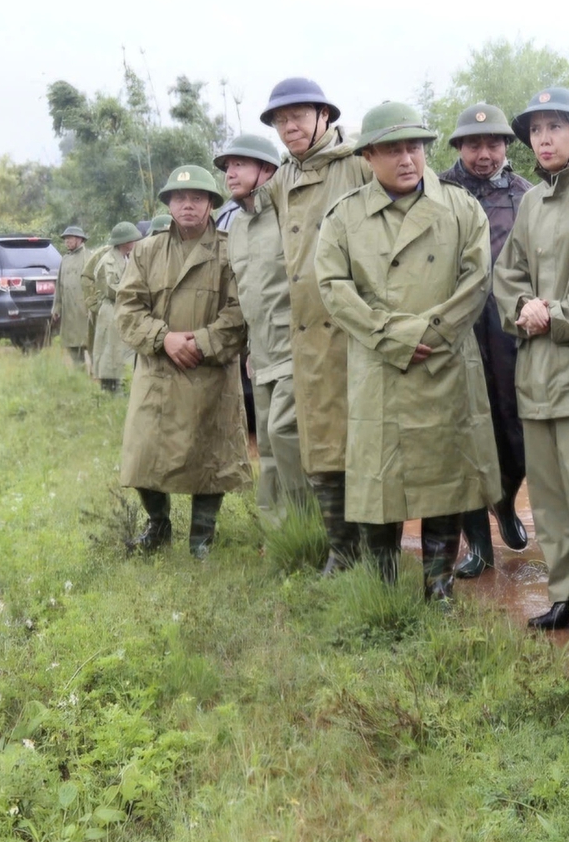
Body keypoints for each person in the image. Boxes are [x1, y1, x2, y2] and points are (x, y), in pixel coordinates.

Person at [314, 102, 501, 596]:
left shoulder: (461, 208)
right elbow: (333, 287)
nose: (406, 159)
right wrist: (394, 336)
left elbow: (477, 279)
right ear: (369, 156)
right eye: (393, 149)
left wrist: (432, 334)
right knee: (380, 481)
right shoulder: (344, 217)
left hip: (444, 363)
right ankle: (382, 586)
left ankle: (438, 586)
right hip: (381, 367)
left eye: (414, 147)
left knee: (447, 478)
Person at [493, 85, 569, 642]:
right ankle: (563, 595)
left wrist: (556, 314)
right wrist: (522, 306)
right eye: (536, 130)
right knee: (547, 496)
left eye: (555, 128)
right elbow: (507, 273)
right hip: (535, 375)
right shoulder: (530, 203)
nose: (543, 139)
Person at [260, 77, 375, 571]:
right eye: (281, 120)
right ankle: (340, 550)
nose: (290, 127)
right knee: (320, 443)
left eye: (299, 116)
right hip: (304, 334)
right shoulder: (282, 180)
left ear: (324, 117)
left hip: (354, 328)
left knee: (364, 440)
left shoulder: (357, 166)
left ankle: (377, 553)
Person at [117, 164, 252, 558]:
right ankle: (158, 526)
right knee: (143, 454)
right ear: (169, 204)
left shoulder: (230, 250)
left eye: (197, 198)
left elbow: (240, 309)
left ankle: (201, 539)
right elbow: (128, 310)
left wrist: (204, 341)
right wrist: (164, 338)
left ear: (211, 204)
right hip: (158, 370)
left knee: (211, 457)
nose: (187, 205)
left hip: (209, 371)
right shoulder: (146, 250)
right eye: (179, 198)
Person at [438, 102, 533, 577]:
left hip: (510, 332)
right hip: (457, 328)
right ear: (458, 146)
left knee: (516, 432)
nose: (484, 153)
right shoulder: (436, 192)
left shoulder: (524, 195)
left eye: (493, 143)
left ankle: (506, 501)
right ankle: (478, 544)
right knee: (464, 436)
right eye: (473, 144)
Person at [215, 131, 306, 524]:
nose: (230, 174)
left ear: (267, 170)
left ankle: (312, 526)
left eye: (239, 165)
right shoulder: (237, 226)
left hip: (296, 348)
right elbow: (249, 291)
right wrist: (250, 349)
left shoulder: (291, 214)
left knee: (289, 439)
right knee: (267, 443)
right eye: (227, 167)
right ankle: (279, 532)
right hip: (263, 351)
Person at [84, 222, 142, 393]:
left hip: (121, 309)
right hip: (111, 310)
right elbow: (111, 288)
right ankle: (110, 388)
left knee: (120, 351)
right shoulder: (108, 261)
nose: (135, 242)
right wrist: (136, 292)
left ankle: (120, 385)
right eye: (132, 239)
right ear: (124, 241)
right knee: (110, 351)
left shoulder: (125, 257)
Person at [54, 226, 92, 368]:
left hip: (84, 310)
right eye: (65, 239)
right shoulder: (65, 260)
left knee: (90, 344)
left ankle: (100, 379)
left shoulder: (89, 256)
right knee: (72, 345)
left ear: (79, 239)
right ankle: (79, 376)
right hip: (68, 311)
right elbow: (59, 286)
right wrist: (56, 308)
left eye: (70, 238)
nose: (67, 241)